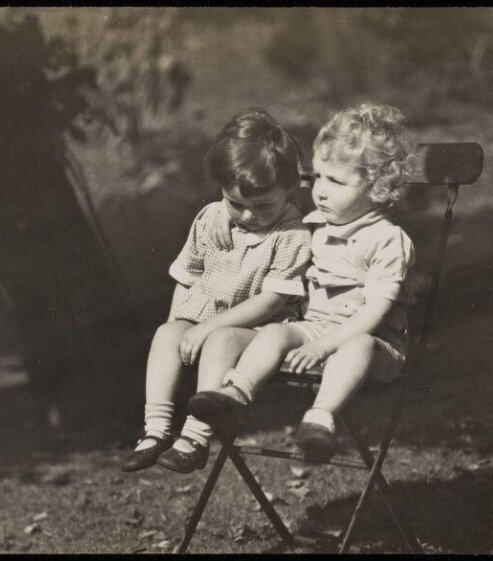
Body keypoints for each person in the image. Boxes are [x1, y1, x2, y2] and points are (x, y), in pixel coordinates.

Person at [188, 103, 417, 460]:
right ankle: (235, 396)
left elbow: (374, 314)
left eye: (336, 181)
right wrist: (221, 207)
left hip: (374, 345)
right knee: (276, 333)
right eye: (318, 176)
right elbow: (267, 194)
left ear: (378, 188)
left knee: (356, 345)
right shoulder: (316, 220)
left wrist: (324, 347)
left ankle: (320, 418)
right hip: (315, 329)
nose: (320, 190)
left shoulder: (387, 240)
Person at [121, 109, 312, 474]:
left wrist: (205, 330)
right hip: (205, 321)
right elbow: (188, 276)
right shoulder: (212, 218)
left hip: (258, 330)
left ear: (289, 189)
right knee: (165, 333)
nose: (248, 217)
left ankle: (195, 436)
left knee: (221, 339)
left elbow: (271, 301)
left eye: (261, 206)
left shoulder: (290, 234)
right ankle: (156, 429)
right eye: (235, 203)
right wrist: (179, 328)